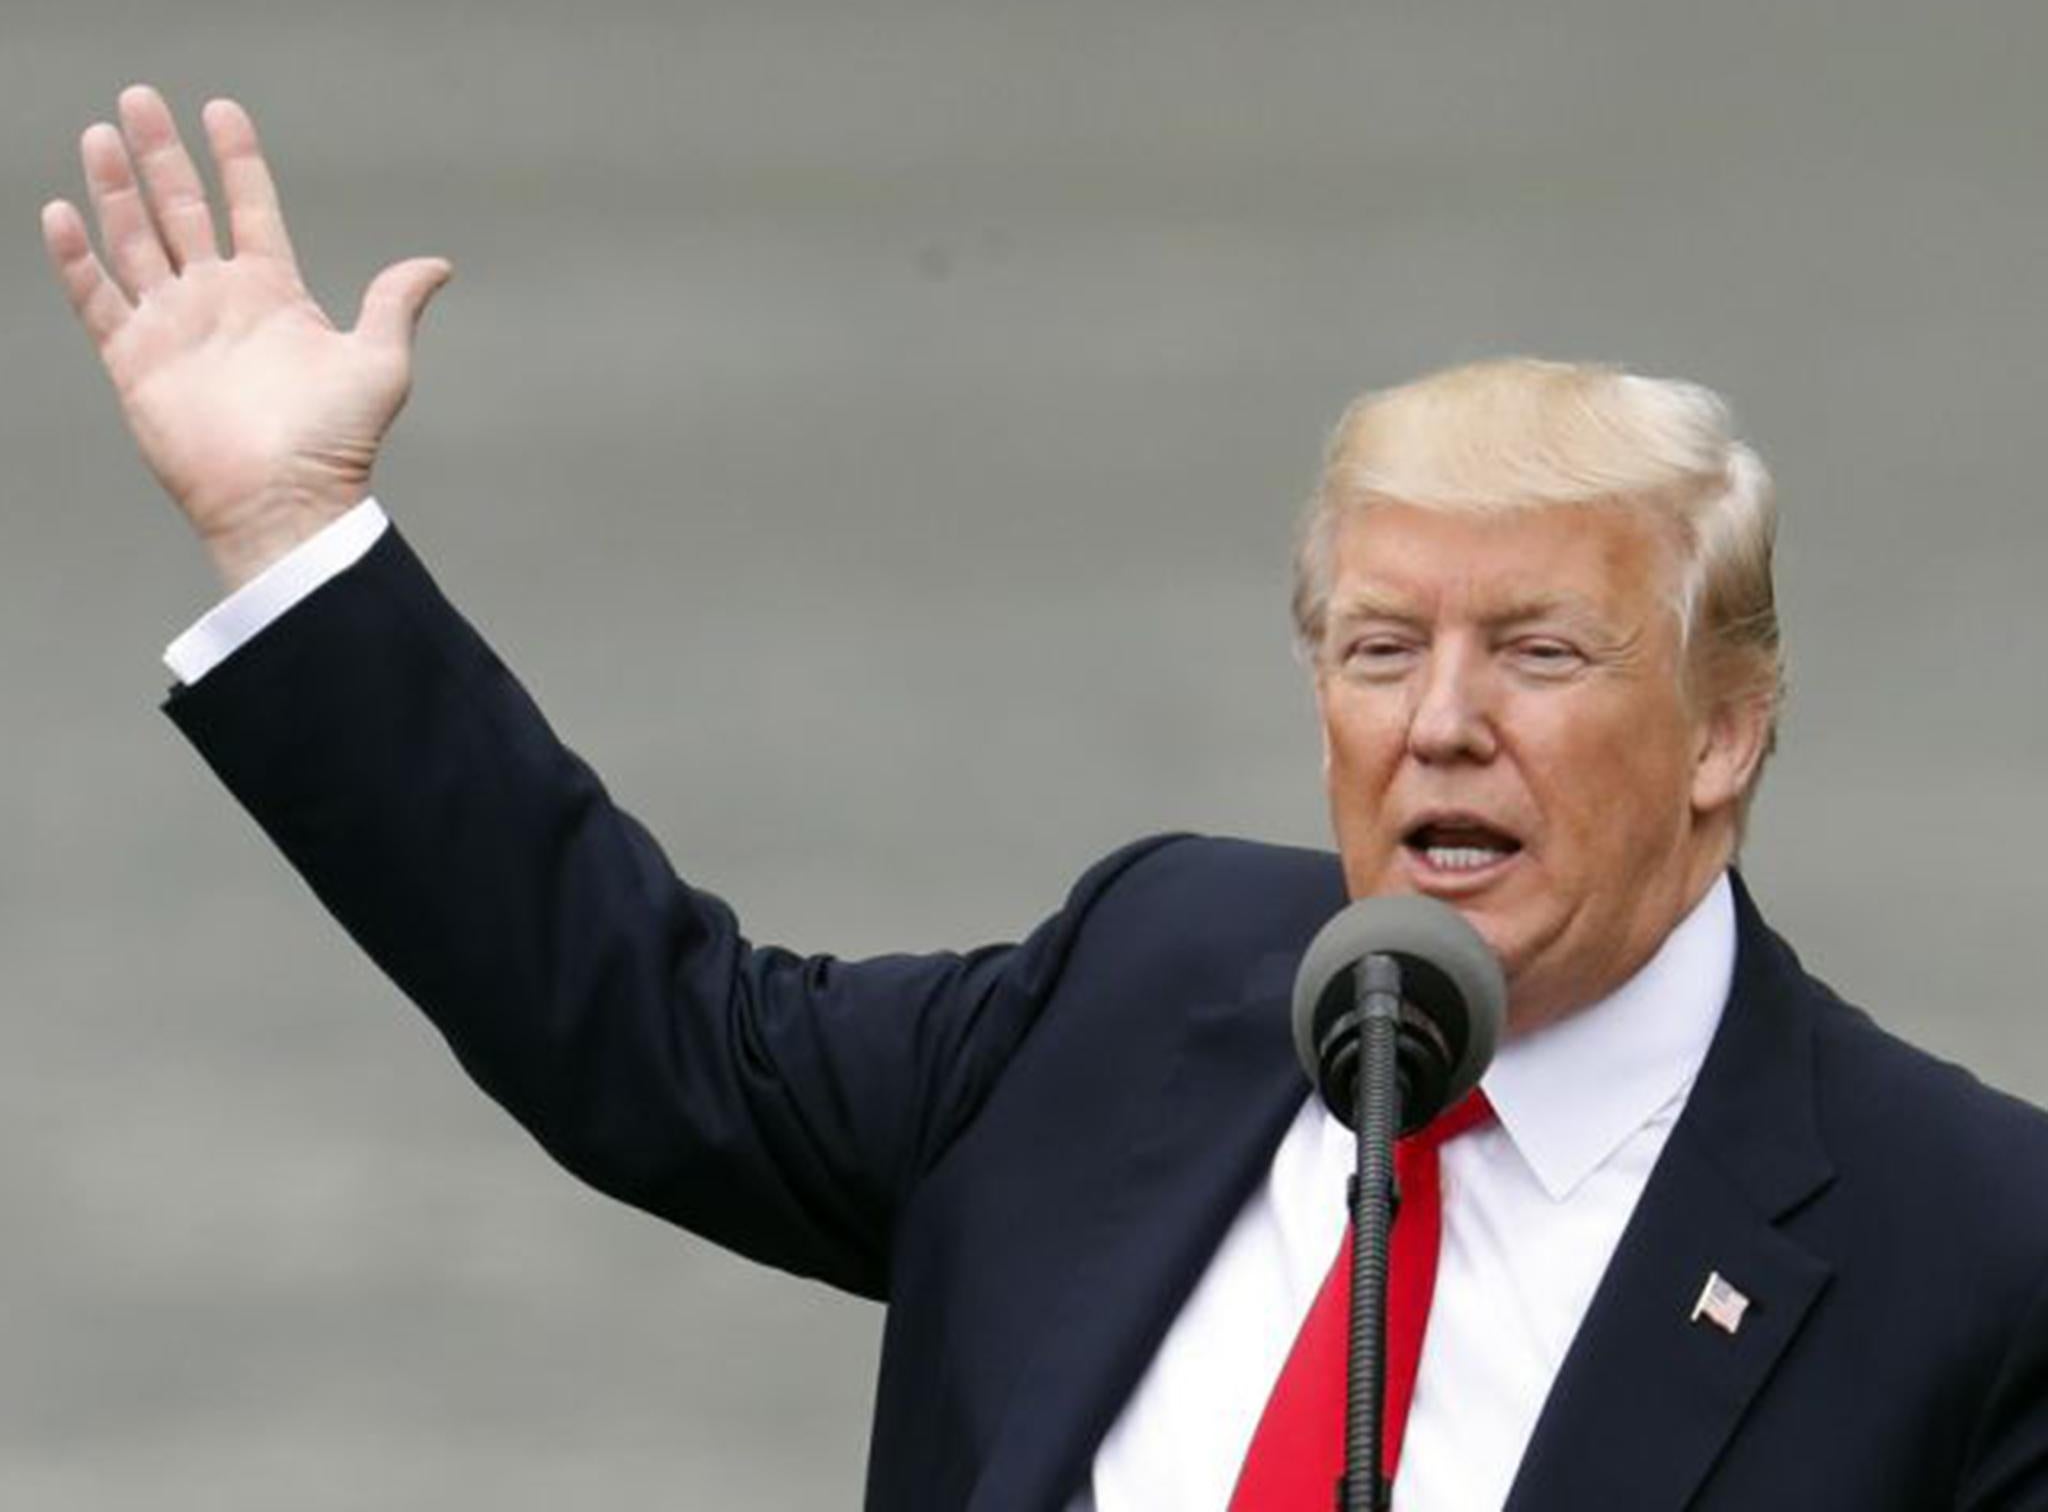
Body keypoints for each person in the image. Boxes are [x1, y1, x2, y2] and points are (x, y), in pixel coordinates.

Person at [44, 85, 2048, 1511]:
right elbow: (660, 1043)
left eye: (1536, 653)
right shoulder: (1144, 979)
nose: (1439, 724)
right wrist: (294, 530)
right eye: (1377, 649)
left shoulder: (1967, 1240)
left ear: (1722, 729)